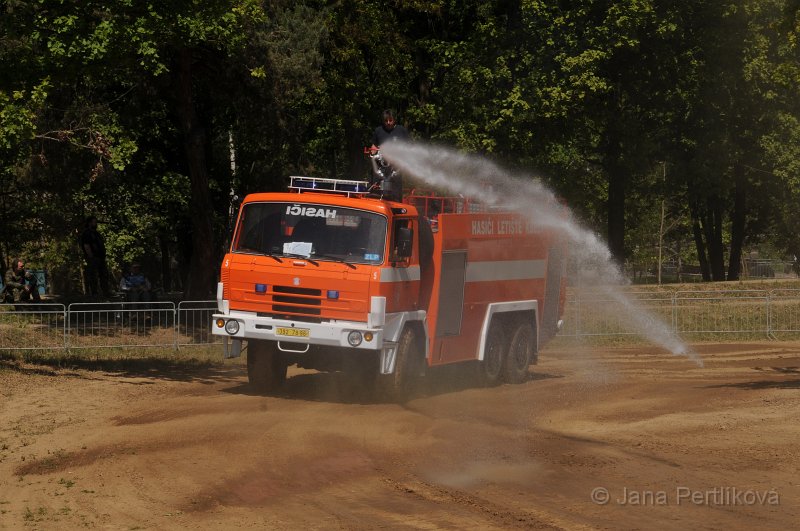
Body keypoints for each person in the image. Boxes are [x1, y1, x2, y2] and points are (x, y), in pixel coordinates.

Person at [369, 109, 409, 201]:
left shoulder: (401, 130)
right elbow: (374, 145)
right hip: (380, 168)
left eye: (390, 120)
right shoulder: (378, 130)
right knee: (376, 192)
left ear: (394, 120)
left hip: (395, 168)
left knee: (396, 193)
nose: (388, 123)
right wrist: (372, 154)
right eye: (386, 121)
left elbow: (407, 147)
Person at [80, 215, 112, 298]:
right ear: (90, 223)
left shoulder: (96, 233)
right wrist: (91, 256)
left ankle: (105, 292)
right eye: (94, 222)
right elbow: (86, 245)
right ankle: (94, 293)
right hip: (94, 257)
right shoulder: (87, 233)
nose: (96, 223)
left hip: (101, 257)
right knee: (93, 275)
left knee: (103, 275)